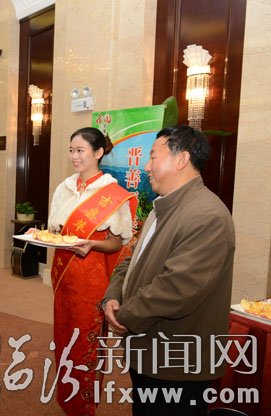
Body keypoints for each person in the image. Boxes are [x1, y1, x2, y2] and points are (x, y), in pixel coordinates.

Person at [102, 125, 235, 416]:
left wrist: (124, 315)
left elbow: (176, 290)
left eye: (153, 157)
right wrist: (112, 296)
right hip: (148, 348)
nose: (146, 167)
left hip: (177, 361)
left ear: (181, 159)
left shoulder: (206, 215)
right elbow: (131, 259)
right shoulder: (161, 207)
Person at [29, 127, 135, 415]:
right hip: (64, 276)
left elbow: (117, 242)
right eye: (71, 151)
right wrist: (40, 235)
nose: (74, 156)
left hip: (92, 280)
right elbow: (56, 232)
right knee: (64, 336)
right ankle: (68, 397)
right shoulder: (63, 188)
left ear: (98, 152)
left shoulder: (112, 193)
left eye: (80, 151)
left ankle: (85, 404)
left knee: (86, 343)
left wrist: (92, 245)